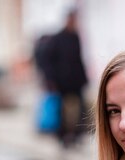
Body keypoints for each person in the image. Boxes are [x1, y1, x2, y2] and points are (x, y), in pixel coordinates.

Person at [39, 9, 88, 148]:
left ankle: (77, 135)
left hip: (76, 81)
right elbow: (46, 60)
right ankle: (62, 136)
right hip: (61, 82)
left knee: (81, 109)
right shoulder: (57, 38)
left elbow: (79, 60)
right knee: (61, 110)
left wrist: (84, 78)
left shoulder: (76, 37)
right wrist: (50, 80)